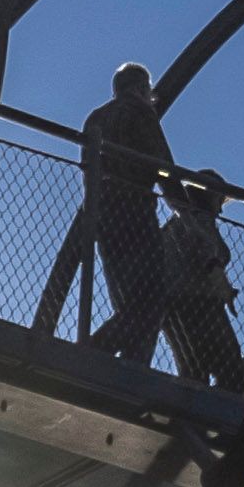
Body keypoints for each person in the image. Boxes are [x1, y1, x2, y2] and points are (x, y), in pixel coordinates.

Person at [79, 59, 175, 360]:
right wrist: (186, 212)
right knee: (151, 301)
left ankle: (109, 362)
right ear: (141, 88)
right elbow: (164, 167)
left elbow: (88, 170)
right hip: (137, 214)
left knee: (129, 303)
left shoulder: (95, 118)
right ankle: (96, 355)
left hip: (105, 216)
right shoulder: (139, 112)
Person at [155, 167, 244, 387]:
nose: (221, 211)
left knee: (193, 371)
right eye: (219, 200)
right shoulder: (199, 222)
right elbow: (208, 255)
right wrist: (223, 288)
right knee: (231, 371)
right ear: (210, 197)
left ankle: (184, 415)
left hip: (170, 305)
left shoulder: (170, 228)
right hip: (202, 304)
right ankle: (221, 417)